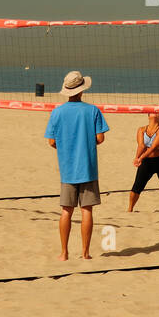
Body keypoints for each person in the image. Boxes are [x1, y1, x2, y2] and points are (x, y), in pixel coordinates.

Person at [44, 70, 109, 261]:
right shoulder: (92, 110)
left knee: (66, 211)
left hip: (68, 169)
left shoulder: (57, 112)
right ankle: (85, 253)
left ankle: (64, 253)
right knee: (86, 210)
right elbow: (100, 138)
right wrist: (86, 141)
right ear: (81, 90)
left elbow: (51, 142)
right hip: (87, 168)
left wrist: (66, 143)